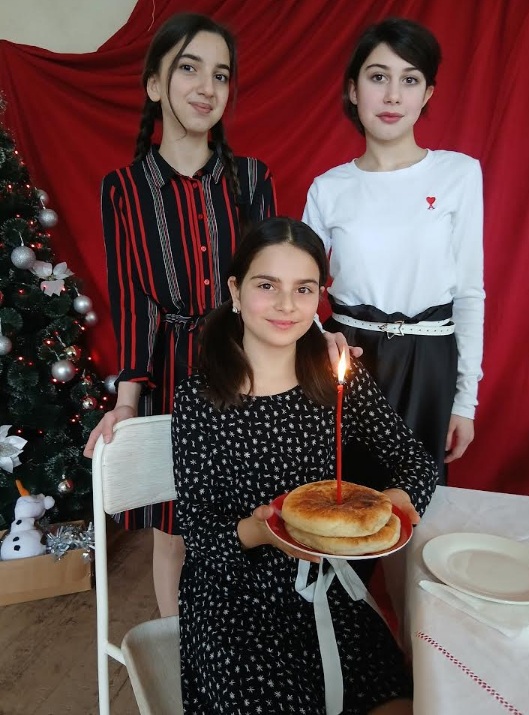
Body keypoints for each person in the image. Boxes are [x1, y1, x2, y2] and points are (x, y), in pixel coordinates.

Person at [84, 13, 353, 618]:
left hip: (249, 365)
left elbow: (278, 275)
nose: (207, 87)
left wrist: (318, 334)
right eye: (189, 68)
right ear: (155, 84)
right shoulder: (124, 189)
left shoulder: (252, 178)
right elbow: (132, 298)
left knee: (258, 515)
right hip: (172, 376)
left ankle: (260, 633)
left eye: (221, 75)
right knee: (177, 531)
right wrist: (127, 401)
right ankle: (187, 646)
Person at [172, 216, 438, 714]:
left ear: (319, 297)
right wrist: (260, 532)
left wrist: (399, 499)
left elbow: (415, 459)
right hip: (233, 603)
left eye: (303, 288)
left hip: (327, 589)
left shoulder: (336, 378)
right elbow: (198, 532)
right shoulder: (198, 398)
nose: (286, 304)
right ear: (235, 290)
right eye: (266, 285)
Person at [303, 17, 484, 486]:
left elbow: (469, 292)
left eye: (410, 80)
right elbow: (299, 288)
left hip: (430, 362)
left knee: (415, 506)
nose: (392, 96)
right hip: (350, 361)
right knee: (343, 501)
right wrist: (321, 339)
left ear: (427, 94)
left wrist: (464, 401)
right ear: (353, 89)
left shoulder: (459, 175)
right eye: (378, 77)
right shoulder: (328, 189)